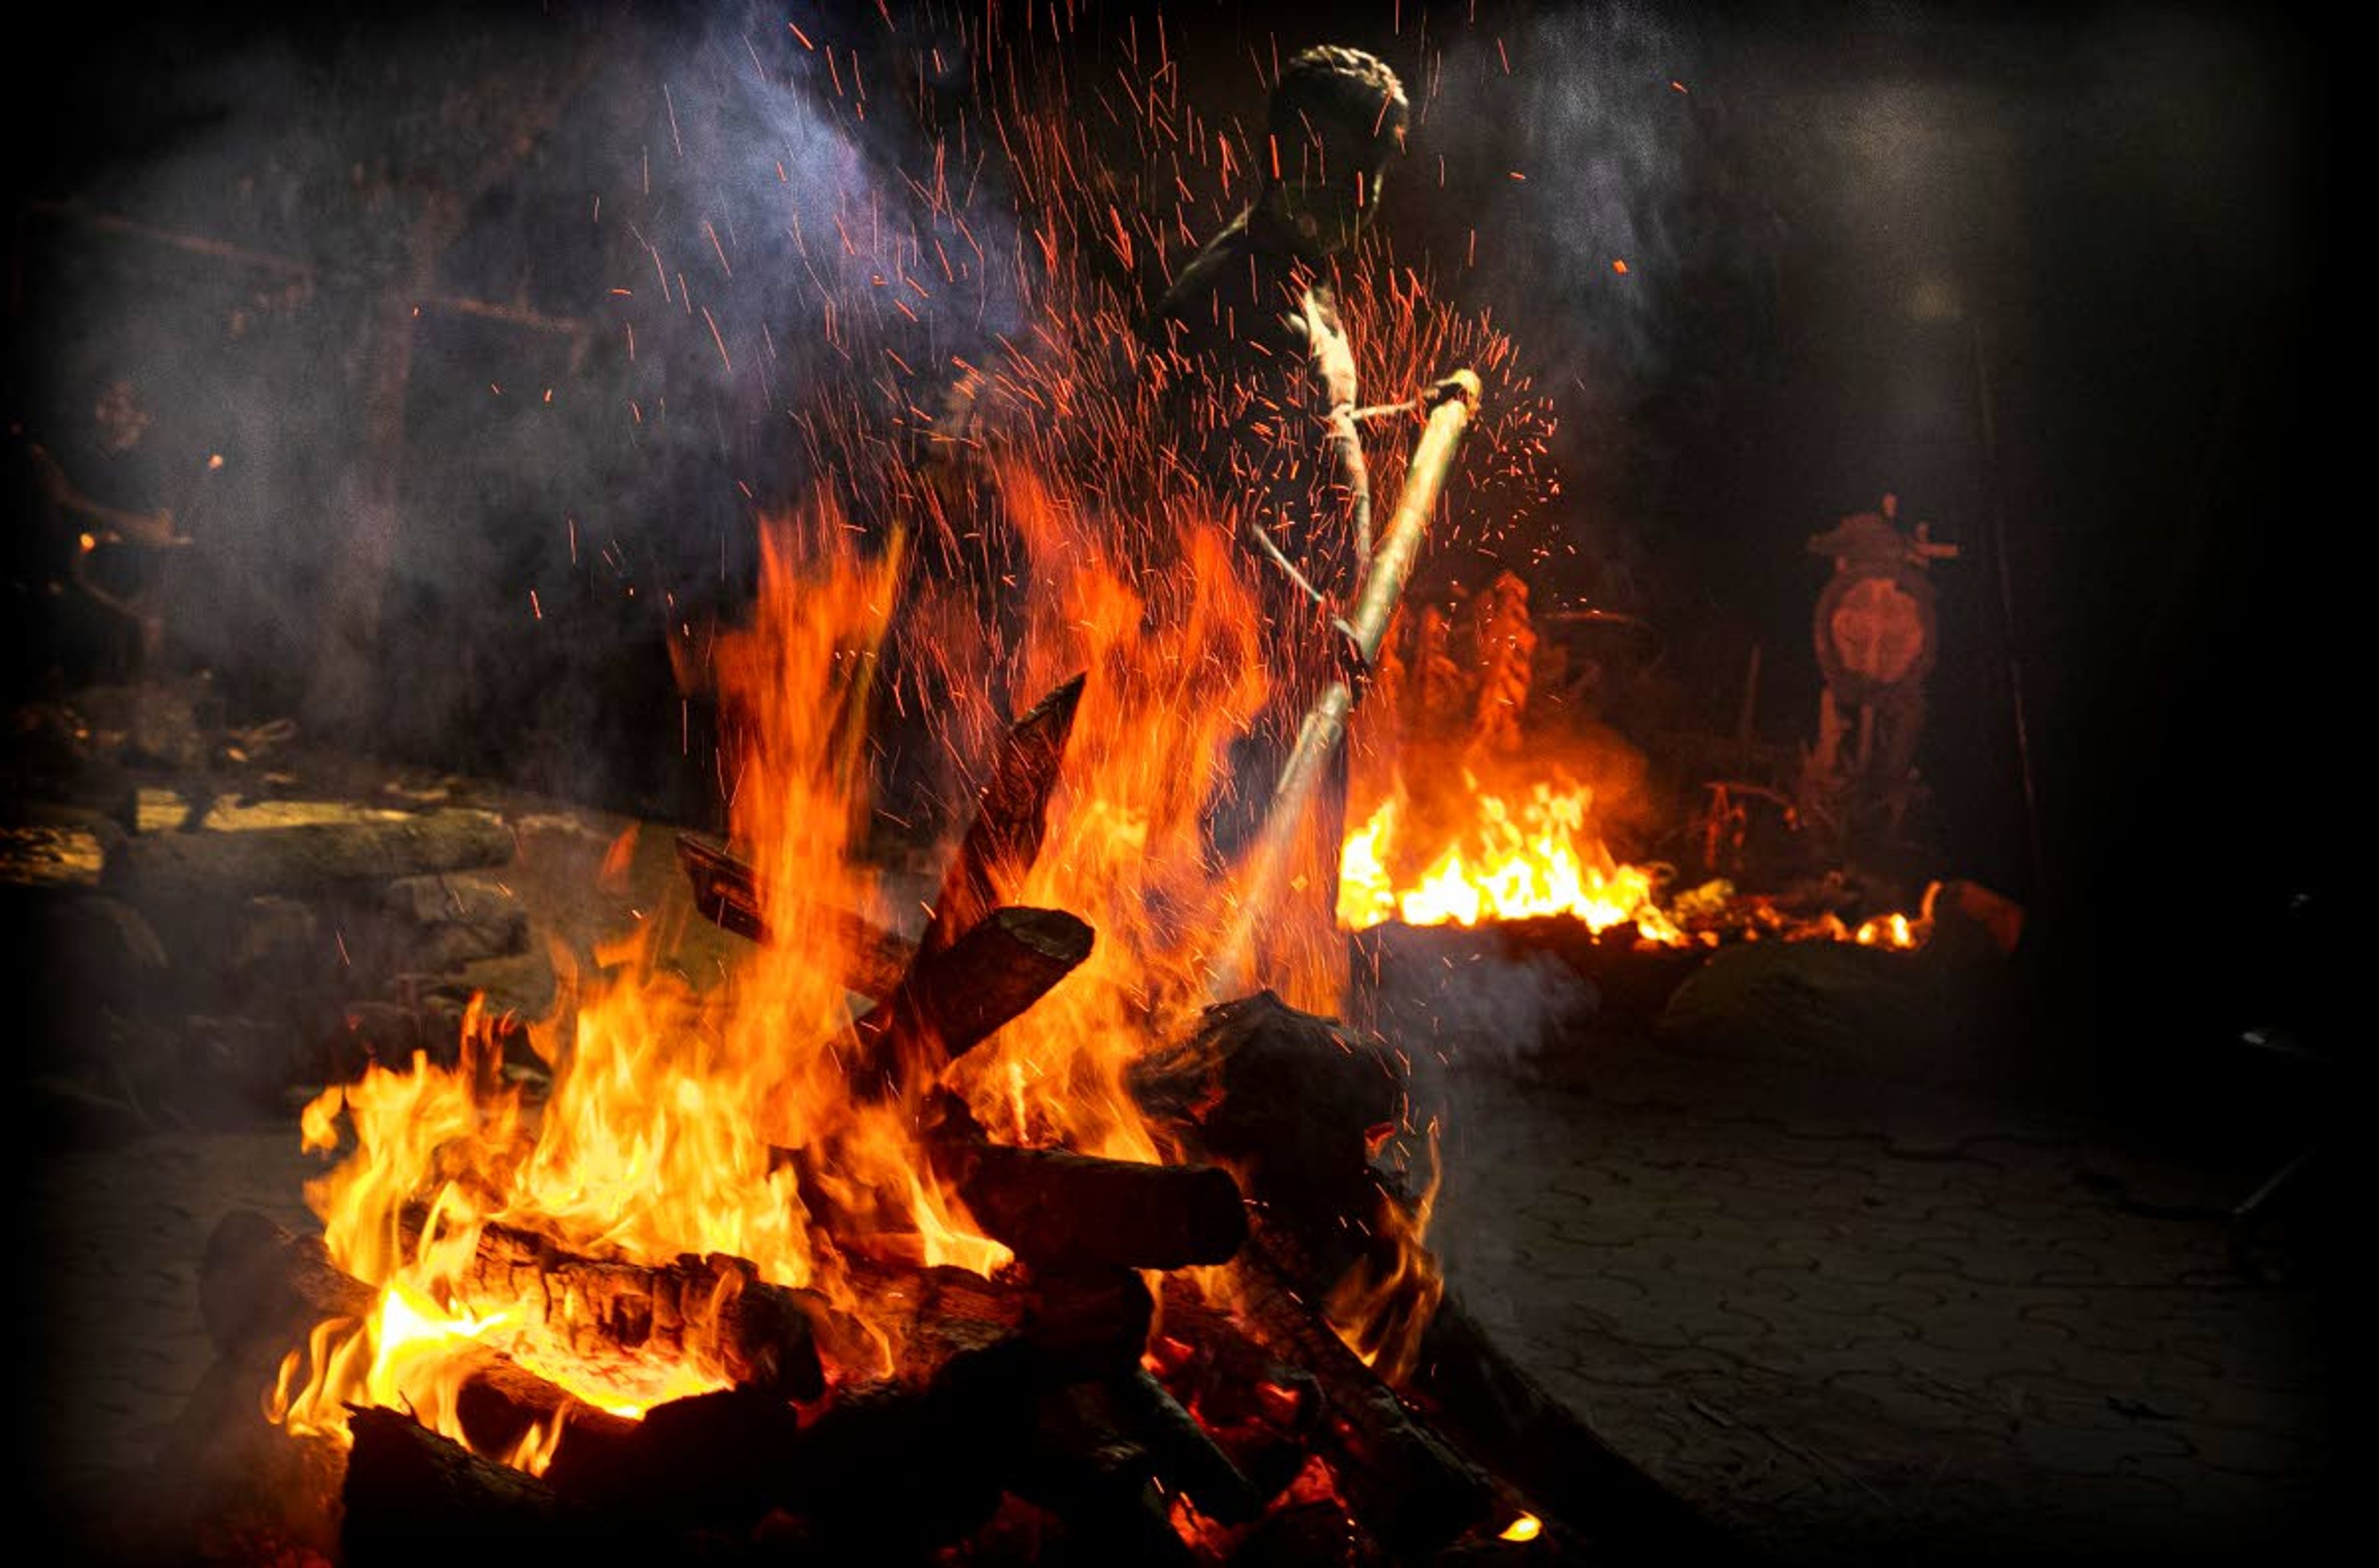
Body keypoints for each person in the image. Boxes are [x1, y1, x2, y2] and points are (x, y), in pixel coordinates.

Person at [1152, 44, 1409, 891]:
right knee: (1207, 924)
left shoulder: (1311, 283)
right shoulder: (1231, 294)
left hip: (1307, 678)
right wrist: (1305, 620)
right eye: (1344, 163)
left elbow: (1311, 437)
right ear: (1284, 156)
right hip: (1229, 693)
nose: (1362, 193)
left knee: (1293, 931)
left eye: (1377, 169)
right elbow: (1199, 500)